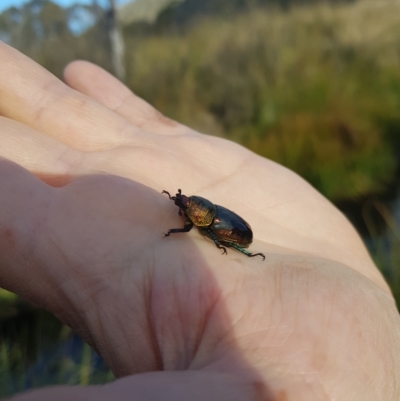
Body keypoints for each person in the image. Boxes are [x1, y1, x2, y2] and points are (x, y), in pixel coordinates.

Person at [0, 41, 399, 401]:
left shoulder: (204, 223)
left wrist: (185, 230)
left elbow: (204, 227)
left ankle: (239, 250)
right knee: (217, 233)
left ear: (198, 214)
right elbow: (190, 209)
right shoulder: (198, 209)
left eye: (186, 208)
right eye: (184, 206)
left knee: (225, 239)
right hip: (224, 217)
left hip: (235, 229)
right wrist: (180, 202)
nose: (183, 208)